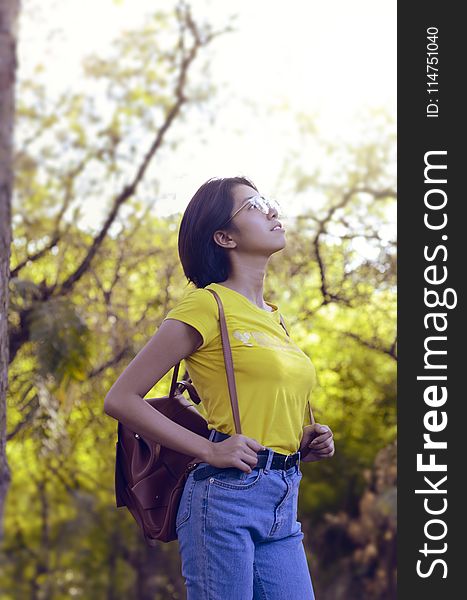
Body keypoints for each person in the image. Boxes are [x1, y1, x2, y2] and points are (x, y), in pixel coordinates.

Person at [104, 176, 335, 599]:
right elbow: (120, 398)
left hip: (283, 499)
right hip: (225, 498)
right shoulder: (206, 305)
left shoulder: (274, 317)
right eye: (252, 205)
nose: (270, 210)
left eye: (267, 200)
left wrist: (303, 441)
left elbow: (260, 404)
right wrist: (211, 449)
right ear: (224, 237)